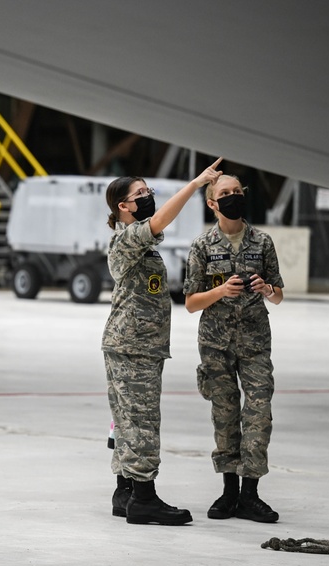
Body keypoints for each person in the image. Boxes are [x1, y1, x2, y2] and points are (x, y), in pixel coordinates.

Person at [103, 160, 223, 526]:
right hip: (134, 346)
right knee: (141, 422)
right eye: (140, 195)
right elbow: (161, 221)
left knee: (127, 421)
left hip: (135, 345)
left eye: (148, 192)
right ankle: (144, 498)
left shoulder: (141, 246)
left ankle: (124, 491)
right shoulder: (127, 238)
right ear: (123, 207)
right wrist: (195, 184)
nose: (148, 198)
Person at [184, 173, 284, 523]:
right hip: (216, 345)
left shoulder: (263, 241)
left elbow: (279, 295)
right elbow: (191, 302)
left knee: (259, 414)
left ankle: (250, 493)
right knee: (224, 416)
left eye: (237, 192)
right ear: (212, 203)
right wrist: (221, 291)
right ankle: (229, 491)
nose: (232, 197)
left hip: (255, 343)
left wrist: (266, 288)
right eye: (224, 193)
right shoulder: (202, 246)